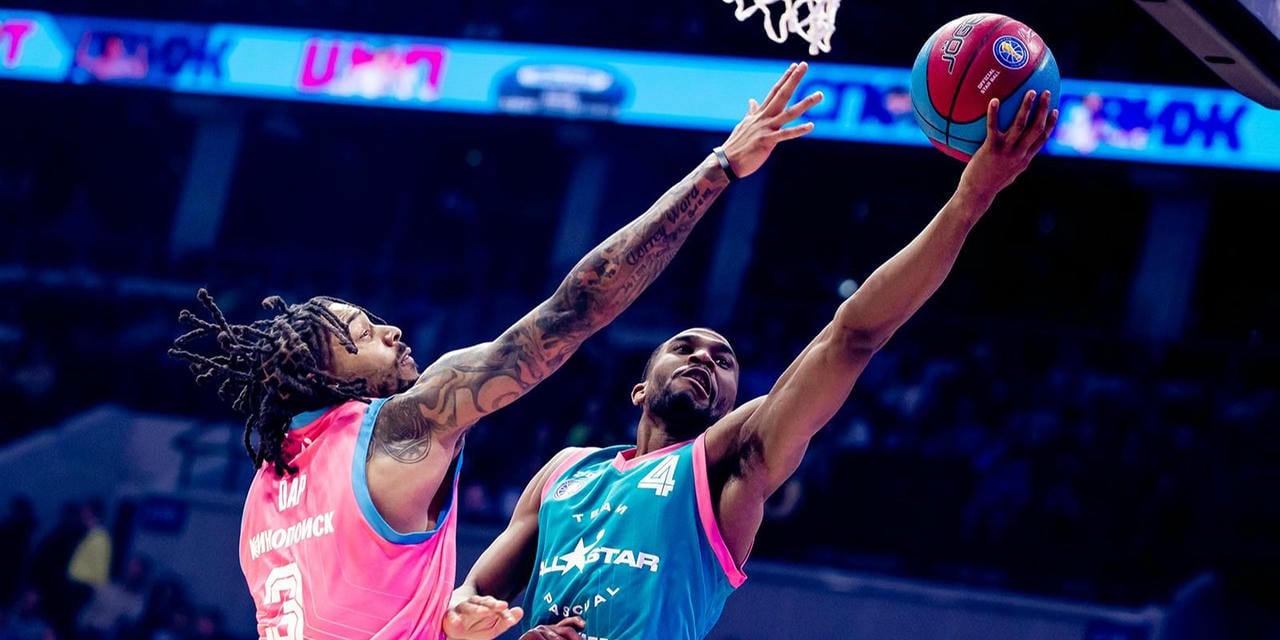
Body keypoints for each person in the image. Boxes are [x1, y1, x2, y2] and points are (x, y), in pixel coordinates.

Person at [168, 62, 824, 640]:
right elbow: (577, 307)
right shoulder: (400, 427)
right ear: (324, 373)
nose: (390, 331)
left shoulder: (264, 495)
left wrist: (450, 627)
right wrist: (719, 168)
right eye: (360, 335)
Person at [445, 89, 1060, 640]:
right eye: (685, 348)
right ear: (639, 390)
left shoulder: (730, 464)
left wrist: (971, 199)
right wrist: (476, 619)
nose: (704, 359)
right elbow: (471, 596)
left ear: (729, 403)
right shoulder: (565, 472)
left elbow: (852, 338)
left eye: (724, 361)